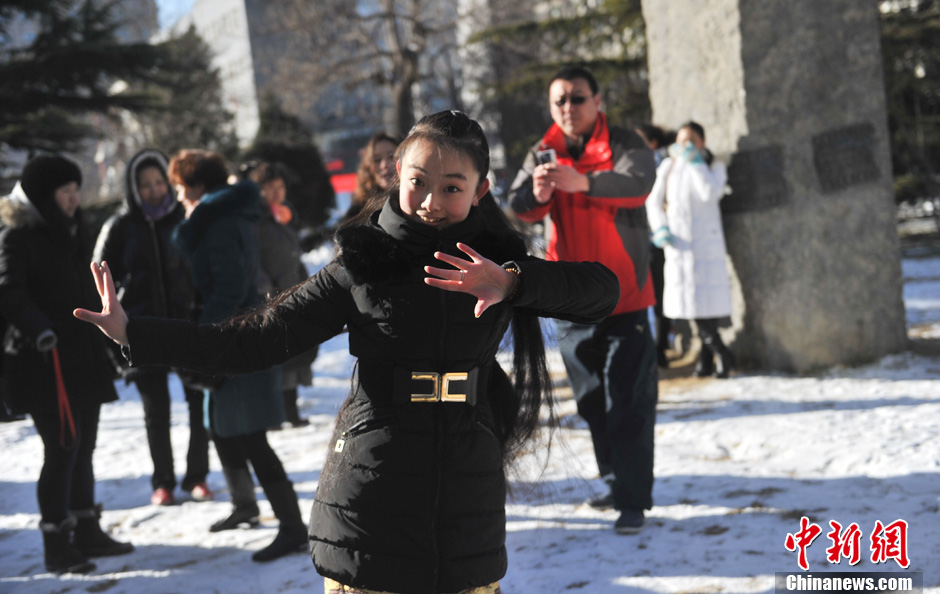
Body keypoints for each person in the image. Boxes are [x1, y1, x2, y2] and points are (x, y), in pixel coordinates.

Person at [75, 110, 620, 594]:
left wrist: (511, 283)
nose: (432, 201)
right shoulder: (365, 263)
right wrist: (135, 333)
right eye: (418, 182)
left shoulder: (499, 262)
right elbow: (252, 339)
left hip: (465, 479)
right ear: (395, 177)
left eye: (452, 187)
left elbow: (602, 291)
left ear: (480, 191)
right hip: (374, 480)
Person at [508, 65, 659, 535]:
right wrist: (536, 195)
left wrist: (584, 183)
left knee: (628, 401)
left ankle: (633, 500)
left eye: (577, 98)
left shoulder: (624, 141)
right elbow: (516, 203)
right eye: (559, 101)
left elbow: (640, 183)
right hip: (573, 298)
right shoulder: (543, 150)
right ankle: (615, 480)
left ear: (598, 101)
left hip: (627, 295)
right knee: (592, 400)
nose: (568, 108)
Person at [163, 149, 307, 562]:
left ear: (197, 187)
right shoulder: (214, 218)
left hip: (234, 340)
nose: (178, 196)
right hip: (227, 338)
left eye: (180, 187)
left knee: (251, 436)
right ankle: (245, 506)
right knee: (223, 429)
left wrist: (202, 338)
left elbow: (229, 289)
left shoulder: (221, 223)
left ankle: (292, 527)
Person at [0, 155, 134, 574]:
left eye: (77, 191)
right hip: (43, 360)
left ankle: (87, 527)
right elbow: (9, 290)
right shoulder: (17, 235)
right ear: (45, 196)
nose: (75, 199)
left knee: (85, 445)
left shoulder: (74, 230)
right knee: (62, 449)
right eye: (66, 192)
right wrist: (38, 327)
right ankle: (56, 541)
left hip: (81, 354)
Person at [93, 148, 213, 506]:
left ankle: (198, 477)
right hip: (141, 330)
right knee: (155, 410)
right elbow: (100, 280)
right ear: (133, 188)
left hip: (186, 324)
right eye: (145, 184)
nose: (154, 189)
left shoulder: (186, 218)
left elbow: (205, 267)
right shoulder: (120, 226)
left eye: (159, 181)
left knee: (197, 405)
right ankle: (163, 481)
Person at [645, 121, 735, 378]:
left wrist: (696, 164)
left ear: (701, 143)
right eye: (681, 140)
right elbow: (653, 200)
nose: (685, 146)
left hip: (707, 245)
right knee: (692, 304)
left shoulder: (713, 166)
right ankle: (710, 361)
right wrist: (660, 229)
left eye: (691, 141)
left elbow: (709, 193)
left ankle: (721, 356)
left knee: (704, 305)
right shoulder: (668, 165)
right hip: (680, 246)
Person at [249, 161, 316, 428]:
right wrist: (266, 289)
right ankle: (274, 414)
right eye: (270, 188)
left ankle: (290, 411)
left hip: (293, 292)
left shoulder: (285, 215)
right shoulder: (256, 220)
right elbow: (253, 261)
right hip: (270, 297)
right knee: (275, 359)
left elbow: (294, 253)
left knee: (292, 356)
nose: (277, 192)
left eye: (280, 187)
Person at [635, 123, 672, 368]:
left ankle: (659, 348)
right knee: (650, 297)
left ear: (653, 143)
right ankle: (655, 348)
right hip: (640, 239)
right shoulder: (636, 165)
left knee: (658, 296)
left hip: (656, 239)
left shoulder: (662, 164)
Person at [344, 132, 399, 221]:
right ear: (368, 167)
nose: (384, 165)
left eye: (391, 156)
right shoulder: (357, 214)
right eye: (377, 160)